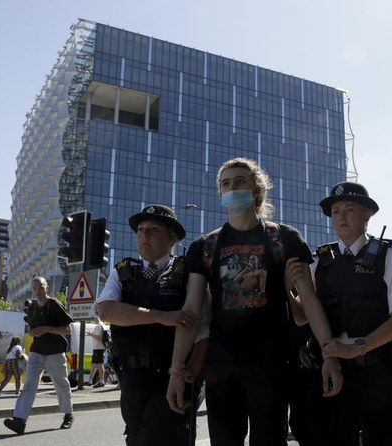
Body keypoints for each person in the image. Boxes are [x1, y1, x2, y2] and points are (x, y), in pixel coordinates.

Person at [166, 158, 340, 446]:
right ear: (220, 193)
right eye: (226, 183)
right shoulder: (205, 247)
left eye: (240, 181)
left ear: (257, 189)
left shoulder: (284, 238)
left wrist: (330, 356)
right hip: (220, 370)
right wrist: (175, 372)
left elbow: (309, 301)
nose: (232, 187)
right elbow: (190, 313)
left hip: (270, 366)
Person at [289, 182, 392, 445]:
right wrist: (286, 290)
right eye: (336, 211)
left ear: (367, 216)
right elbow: (303, 316)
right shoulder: (318, 261)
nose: (341, 216)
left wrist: (357, 348)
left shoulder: (389, 256)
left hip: (380, 374)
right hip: (331, 372)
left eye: (349, 209)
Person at [93, 204, 197, 446]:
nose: (144, 235)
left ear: (172, 238)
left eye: (153, 229)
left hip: (171, 374)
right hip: (131, 378)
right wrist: (163, 316)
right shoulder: (123, 272)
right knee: (137, 438)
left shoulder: (187, 272)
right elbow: (107, 310)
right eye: (140, 230)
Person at [3, 277, 74, 435]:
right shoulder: (32, 307)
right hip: (37, 350)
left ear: (47, 288)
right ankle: (20, 421)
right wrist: (33, 331)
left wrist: (46, 329)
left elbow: (67, 329)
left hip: (55, 351)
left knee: (61, 385)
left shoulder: (55, 305)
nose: (37, 291)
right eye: (34, 289)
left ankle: (68, 414)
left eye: (40, 288)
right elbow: (32, 328)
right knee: (29, 385)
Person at [87, 317, 107, 388]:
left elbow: (98, 338)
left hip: (98, 347)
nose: (92, 320)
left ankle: (101, 381)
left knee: (99, 364)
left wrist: (91, 334)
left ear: (96, 318)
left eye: (93, 319)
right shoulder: (102, 325)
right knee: (93, 364)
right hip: (98, 347)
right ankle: (90, 381)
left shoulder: (98, 326)